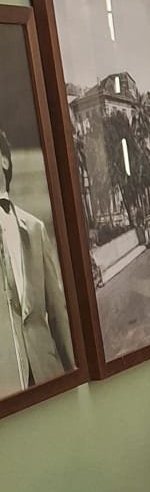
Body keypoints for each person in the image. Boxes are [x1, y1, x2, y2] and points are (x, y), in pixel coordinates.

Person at [0, 126, 74, 394]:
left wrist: (73, 375)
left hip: (47, 373)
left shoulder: (35, 228)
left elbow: (57, 312)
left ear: (4, 160)